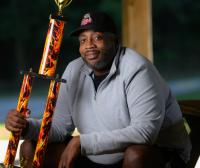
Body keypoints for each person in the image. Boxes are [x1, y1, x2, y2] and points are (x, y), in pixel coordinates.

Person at [5, 11, 191, 168]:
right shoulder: (73, 69)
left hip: (160, 155)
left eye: (98, 37)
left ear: (114, 41)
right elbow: (60, 128)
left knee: (136, 156)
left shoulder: (138, 68)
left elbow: (145, 133)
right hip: (99, 156)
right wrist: (26, 126)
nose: (89, 46)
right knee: (31, 147)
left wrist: (82, 142)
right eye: (83, 40)